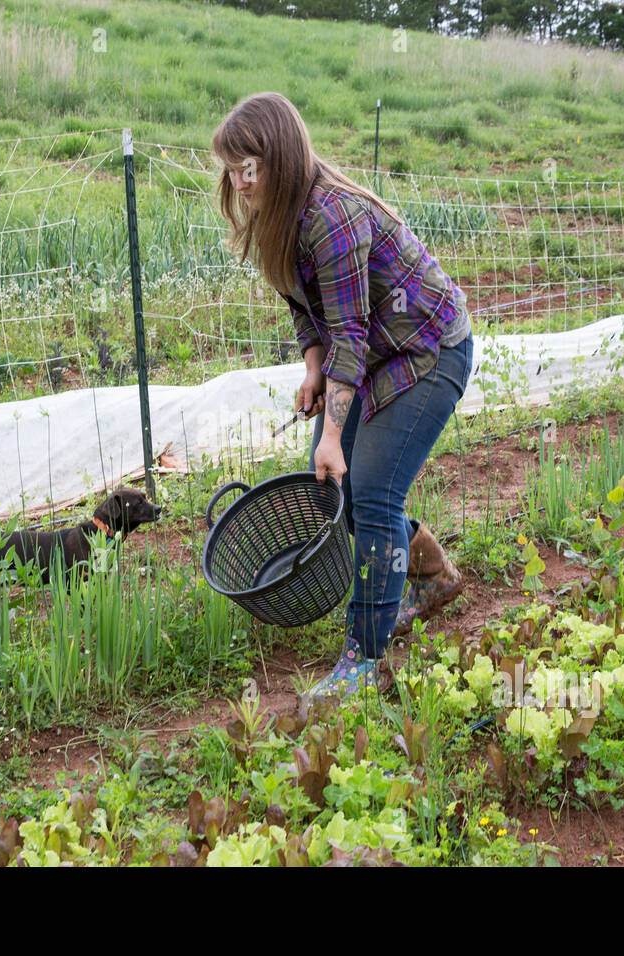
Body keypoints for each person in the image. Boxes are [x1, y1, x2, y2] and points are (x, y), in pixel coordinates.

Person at [212, 92, 474, 704]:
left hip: (427, 347)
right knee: (346, 496)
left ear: (276, 159)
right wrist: (311, 367)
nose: (237, 182)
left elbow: (350, 334)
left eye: (246, 167)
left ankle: (362, 660)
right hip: (372, 354)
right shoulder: (278, 218)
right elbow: (310, 312)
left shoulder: (331, 214)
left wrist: (331, 435)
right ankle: (432, 575)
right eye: (230, 168)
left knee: (372, 491)